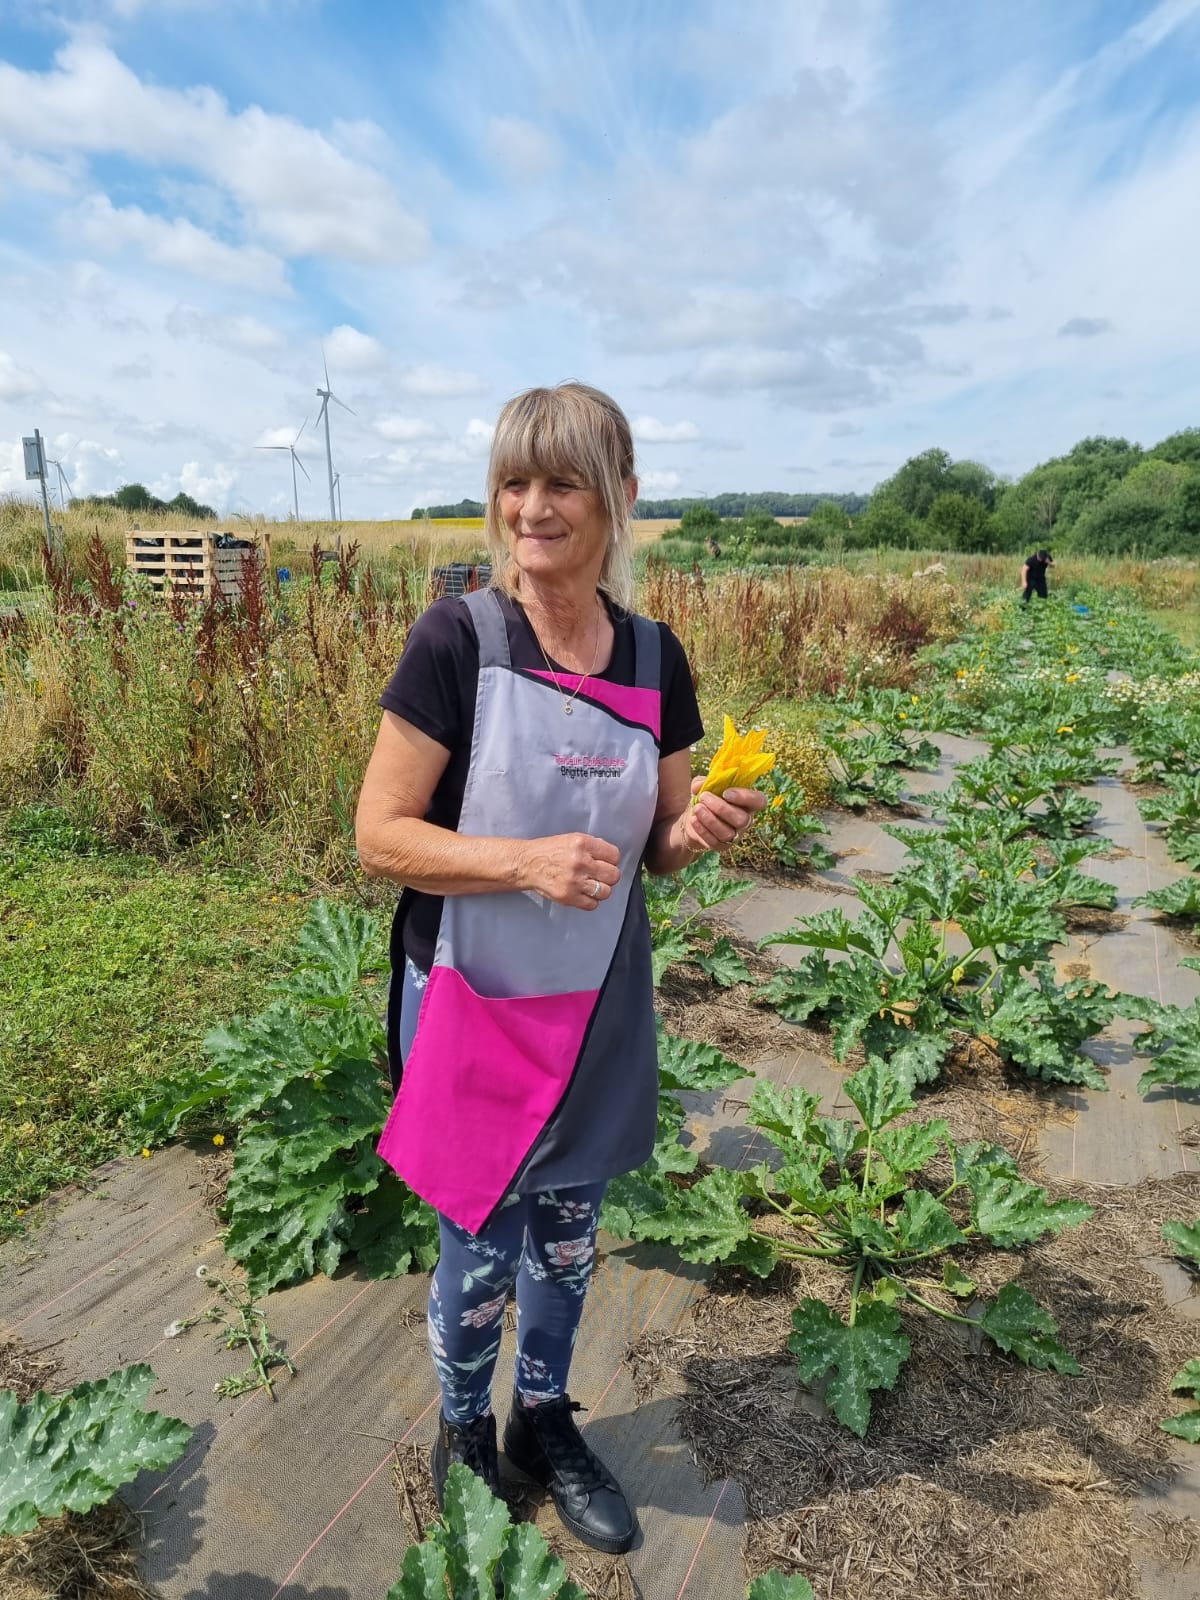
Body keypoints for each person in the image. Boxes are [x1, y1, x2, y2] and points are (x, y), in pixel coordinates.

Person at [355, 382, 765, 1556]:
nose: (531, 508)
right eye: (514, 482)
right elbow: (379, 834)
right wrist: (521, 860)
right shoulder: (459, 642)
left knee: (571, 1235)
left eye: (562, 483)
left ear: (620, 497)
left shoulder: (654, 657)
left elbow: (659, 846)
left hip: (593, 1003)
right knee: (479, 1241)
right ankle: (464, 1431)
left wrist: (697, 829)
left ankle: (543, 1419)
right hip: (472, 997)